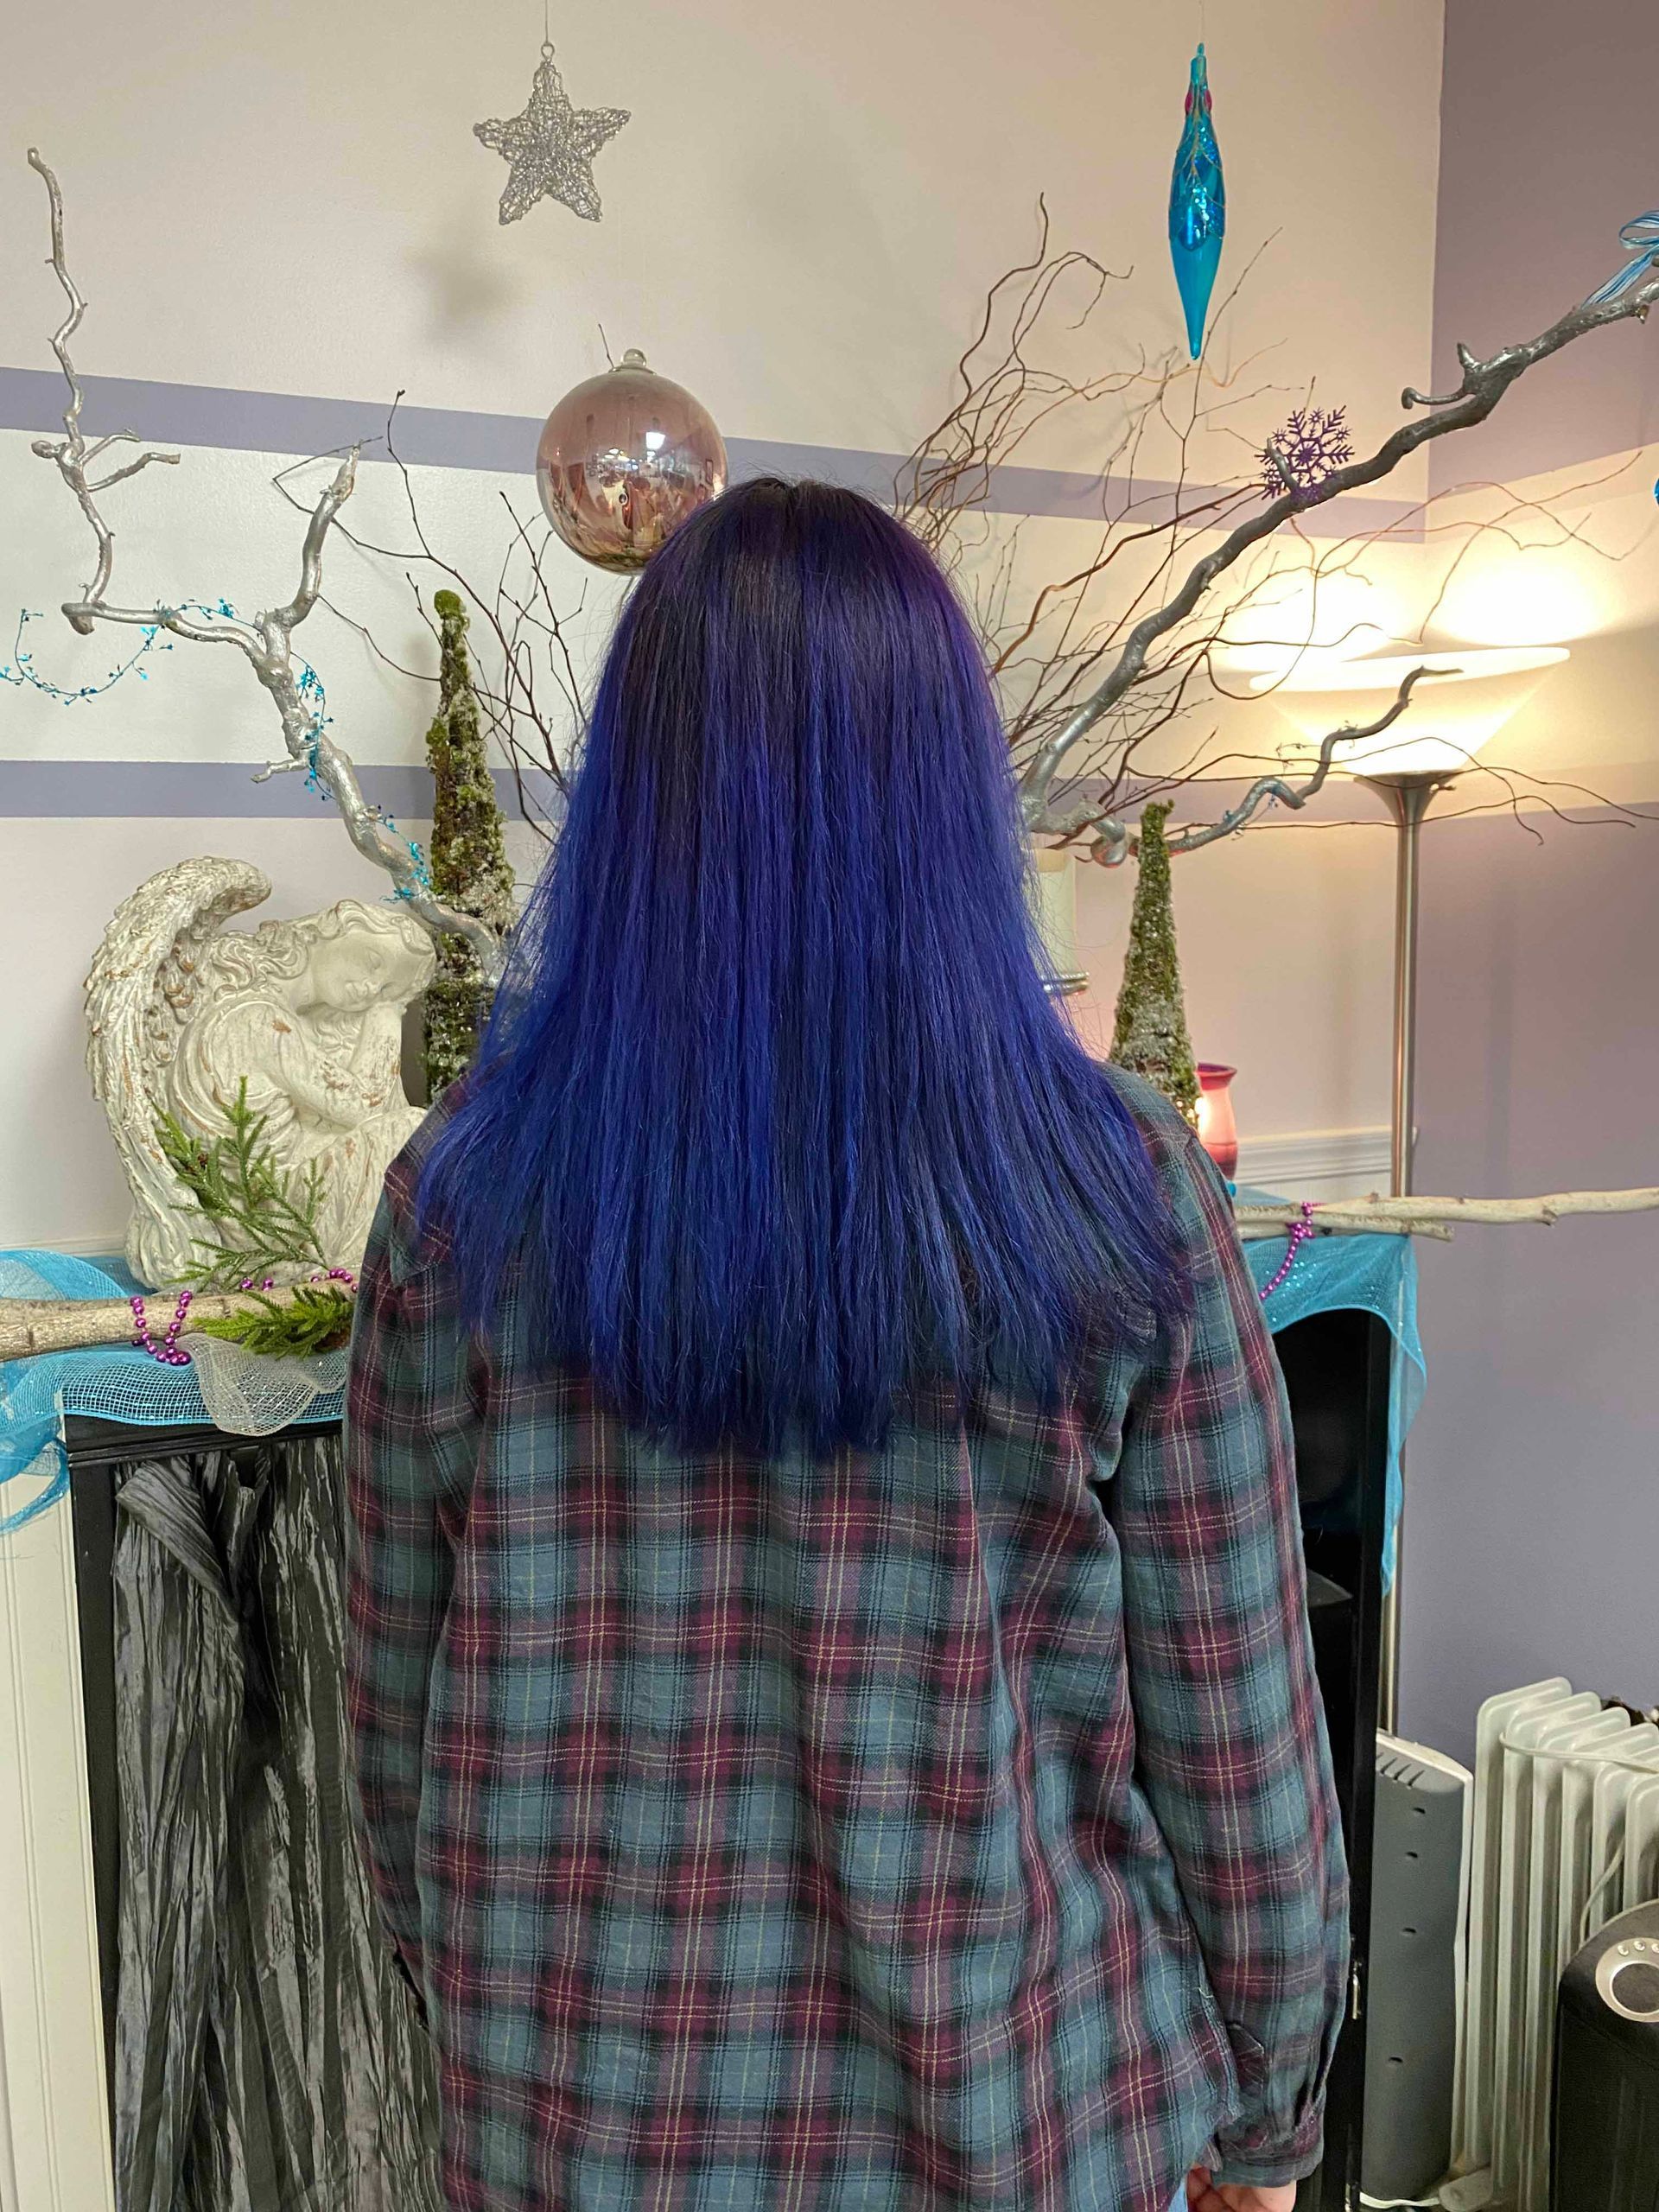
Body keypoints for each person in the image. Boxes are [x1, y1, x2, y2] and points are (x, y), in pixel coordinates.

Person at [345, 478, 1349, 2212]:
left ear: (636, 791)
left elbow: (394, 1734)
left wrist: (502, 2031)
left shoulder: (460, 1199)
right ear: (950, 793)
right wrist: (1266, 2117)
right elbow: (1237, 1732)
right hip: (1014, 2122)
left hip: (576, 2129)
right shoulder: (1115, 1186)